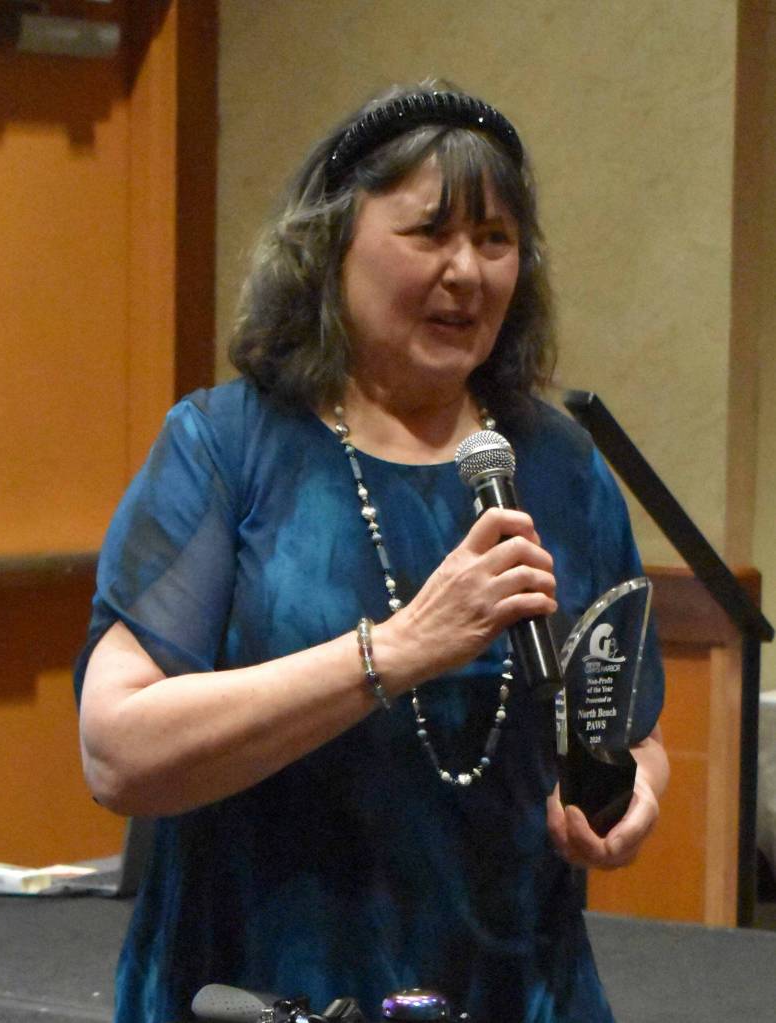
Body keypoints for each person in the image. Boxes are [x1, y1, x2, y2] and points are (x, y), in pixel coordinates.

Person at [75, 81, 669, 1023]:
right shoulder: (228, 448)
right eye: (430, 233)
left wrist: (630, 794)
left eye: (495, 240)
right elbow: (118, 751)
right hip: (260, 986)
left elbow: (626, 725)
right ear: (331, 243)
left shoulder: (556, 462)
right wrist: (392, 652)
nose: (467, 271)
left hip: (516, 988)